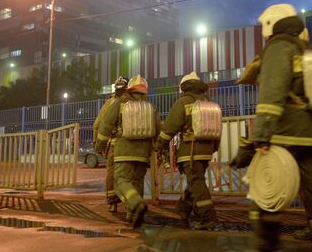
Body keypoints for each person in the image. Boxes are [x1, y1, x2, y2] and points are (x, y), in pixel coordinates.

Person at [250, 3, 312, 252]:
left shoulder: (278, 47)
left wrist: (261, 136)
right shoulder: (307, 50)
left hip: (285, 134)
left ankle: (266, 246)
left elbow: (271, 94)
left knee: (266, 192)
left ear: (270, 26)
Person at [156, 71, 219, 230]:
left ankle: (208, 217)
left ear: (184, 88)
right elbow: (217, 131)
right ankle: (182, 210)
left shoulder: (183, 102)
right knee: (195, 181)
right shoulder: (208, 103)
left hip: (190, 151)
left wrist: (161, 144)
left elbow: (170, 127)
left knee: (197, 183)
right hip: (206, 151)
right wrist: (212, 149)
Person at [95, 75, 160, 229]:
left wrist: (99, 146)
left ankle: (136, 204)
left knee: (120, 181)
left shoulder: (119, 103)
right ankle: (132, 215)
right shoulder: (149, 107)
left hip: (123, 150)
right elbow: (158, 129)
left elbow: (105, 126)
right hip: (143, 154)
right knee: (137, 182)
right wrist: (160, 148)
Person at [94, 76, 128, 213]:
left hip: (113, 146)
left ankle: (112, 204)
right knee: (128, 175)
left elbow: (97, 125)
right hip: (130, 146)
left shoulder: (108, 104)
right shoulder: (133, 102)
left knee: (112, 173)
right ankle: (130, 203)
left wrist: (98, 145)